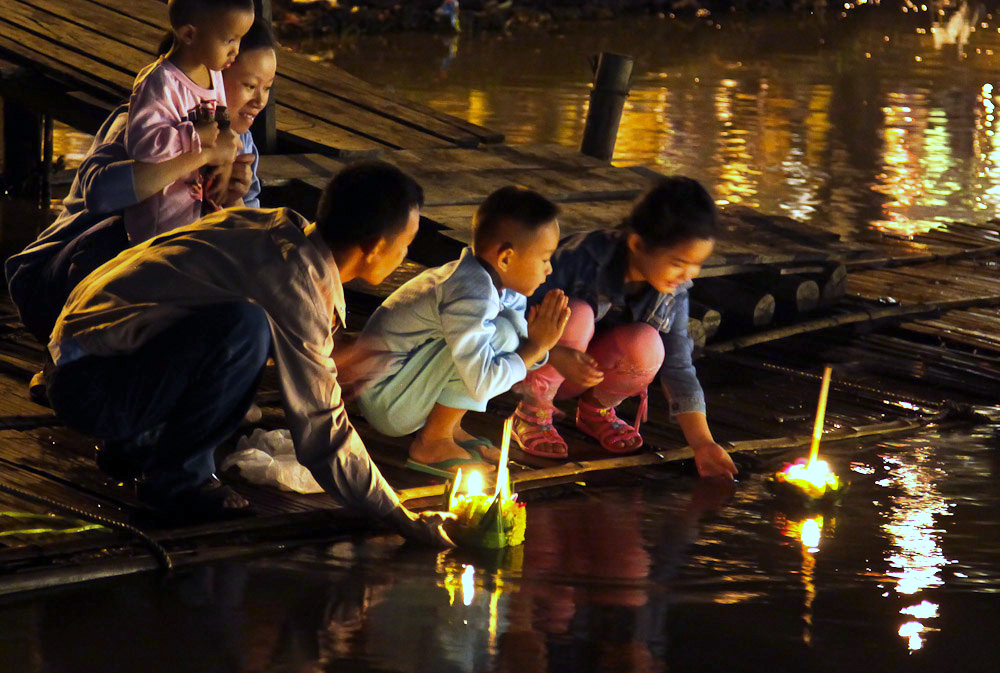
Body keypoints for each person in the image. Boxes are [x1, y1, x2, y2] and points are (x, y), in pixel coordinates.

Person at [45, 160, 451, 543]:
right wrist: (398, 516)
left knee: (246, 330)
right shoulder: (294, 280)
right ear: (376, 246)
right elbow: (321, 429)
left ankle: (139, 444)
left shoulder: (272, 229)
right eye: (406, 244)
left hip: (83, 364)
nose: (406, 256)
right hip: (90, 388)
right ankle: (179, 481)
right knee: (246, 328)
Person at [4, 18, 278, 394]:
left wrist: (233, 198)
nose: (260, 100)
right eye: (249, 85)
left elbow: (242, 244)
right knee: (126, 237)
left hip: (151, 290)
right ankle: (66, 365)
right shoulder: (141, 125)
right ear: (208, 76)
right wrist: (199, 155)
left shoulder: (243, 146)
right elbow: (101, 195)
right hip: (60, 282)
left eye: (267, 88)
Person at [508, 176, 738, 480]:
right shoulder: (581, 258)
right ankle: (533, 412)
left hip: (588, 374)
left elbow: (678, 366)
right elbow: (510, 315)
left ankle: (595, 412)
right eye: (678, 263)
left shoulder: (673, 292)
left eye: (696, 265)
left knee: (648, 343)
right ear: (637, 244)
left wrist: (703, 444)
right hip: (533, 364)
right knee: (575, 313)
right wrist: (555, 353)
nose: (687, 275)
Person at [354, 186, 570, 478]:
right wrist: (536, 347)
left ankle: (448, 428)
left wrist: (537, 343)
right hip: (386, 397)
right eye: (544, 258)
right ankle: (433, 442)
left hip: (407, 388)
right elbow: (483, 381)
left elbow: (513, 354)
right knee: (501, 335)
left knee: (504, 333)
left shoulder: (502, 288)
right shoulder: (469, 293)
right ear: (506, 258)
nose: (548, 270)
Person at [123, 0, 255, 244]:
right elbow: (142, 145)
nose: (236, 50)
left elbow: (223, 128)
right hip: (161, 228)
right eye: (229, 40)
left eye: (240, 39)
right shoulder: (160, 83)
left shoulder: (213, 74)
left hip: (199, 217)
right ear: (189, 35)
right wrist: (195, 135)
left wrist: (226, 164)